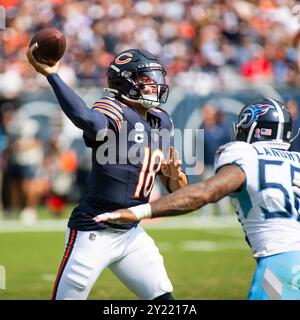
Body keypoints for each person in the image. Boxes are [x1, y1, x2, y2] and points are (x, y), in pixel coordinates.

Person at [97, 98, 300, 300]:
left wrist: (137, 211)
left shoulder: (246, 154)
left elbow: (204, 193)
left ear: (253, 127)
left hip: (282, 263)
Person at [27, 47, 188, 300]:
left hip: (132, 233)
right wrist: (53, 76)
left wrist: (174, 174)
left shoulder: (162, 121)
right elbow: (86, 118)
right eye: (146, 79)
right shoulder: (114, 109)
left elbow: (178, 190)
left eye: (156, 79)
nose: (155, 85)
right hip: (94, 230)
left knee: (164, 300)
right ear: (125, 82)